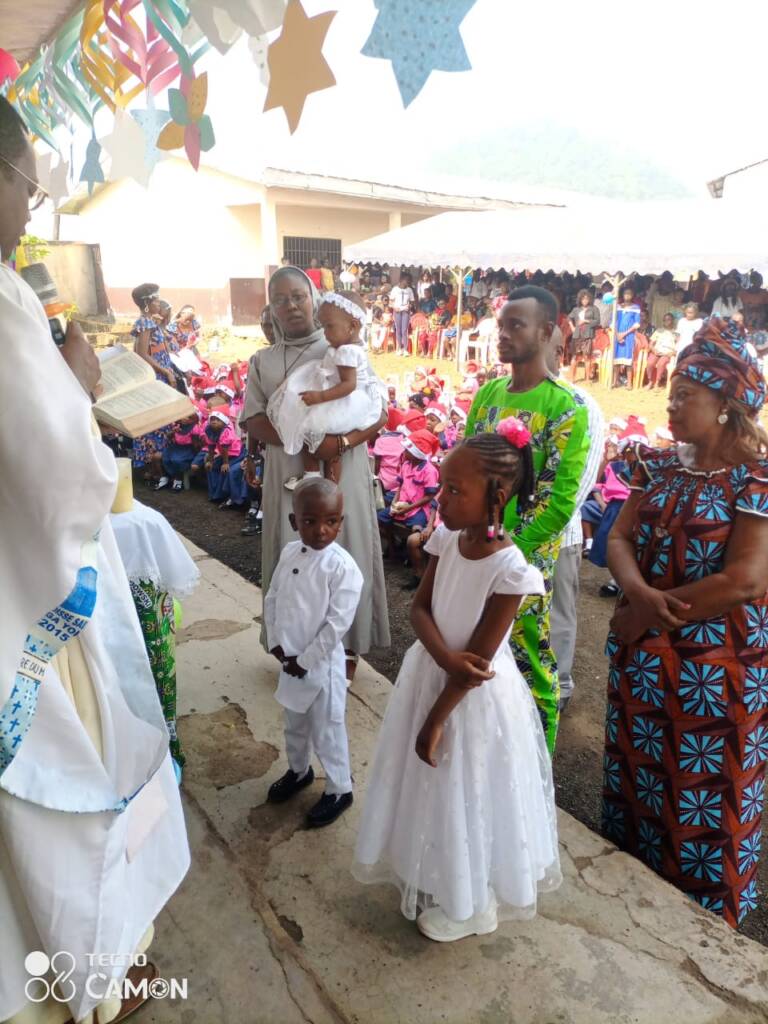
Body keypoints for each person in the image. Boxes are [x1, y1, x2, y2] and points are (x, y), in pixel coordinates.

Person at [0, 94, 188, 1024]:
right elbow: (59, 477)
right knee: (67, 784)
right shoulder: (2, 298)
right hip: (24, 606)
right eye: (29, 186)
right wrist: (78, 390)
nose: (31, 209)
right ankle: (89, 981)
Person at [353, 427, 561, 941]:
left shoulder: (510, 571)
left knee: (467, 793)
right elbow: (420, 609)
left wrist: (436, 719)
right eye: (441, 486)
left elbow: (478, 666)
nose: (440, 499)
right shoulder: (447, 538)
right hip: (433, 676)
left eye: (453, 490)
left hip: (470, 703)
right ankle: (442, 875)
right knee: (432, 789)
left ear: (497, 497)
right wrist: (446, 659)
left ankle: (473, 904)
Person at [602, 317, 768, 928]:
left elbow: (745, 580)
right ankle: (629, 895)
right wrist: (638, 591)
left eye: (684, 396)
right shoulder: (657, 465)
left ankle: (703, 924)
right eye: (671, 394)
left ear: (725, 405)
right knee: (641, 775)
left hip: (717, 676)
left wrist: (648, 609)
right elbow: (618, 537)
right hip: (644, 661)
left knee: (707, 794)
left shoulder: (758, 479)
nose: (670, 405)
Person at [242, 266, 390, 680]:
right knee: (293, 553)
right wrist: (302, 439)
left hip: (343, 462)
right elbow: (253, 419)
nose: (290, 306)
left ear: (313, 298)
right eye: (280, 299)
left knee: (346, 549)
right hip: (290, 467)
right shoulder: (263, 361)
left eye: (298, 296)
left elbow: (379, 410)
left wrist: (337, 444)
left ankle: (347, 646)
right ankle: (292, 644)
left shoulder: (343, 345)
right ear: (271, 308)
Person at [466, 286, 590, 753]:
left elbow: (557, 504)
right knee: (474, 657)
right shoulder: (488, 395)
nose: (502, 334)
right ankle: (482, 758)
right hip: (474, 552)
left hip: (523, 563)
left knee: (529, 665)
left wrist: (504, 551)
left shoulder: (566, 407)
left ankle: (535, 770)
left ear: (546, 332)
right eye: (501, 325)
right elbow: (465, 470)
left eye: (515, 325)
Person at [264, 479, 363, 828]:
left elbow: (337, 626)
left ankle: (339, 788)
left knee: (327, 730)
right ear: (295, 522)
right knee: (294, 723)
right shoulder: (290, 552)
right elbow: (273, 596)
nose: (321, 530)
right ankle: (298, 770)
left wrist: (304, 661)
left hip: (320, 668)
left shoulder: (343, 567)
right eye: (310, 521)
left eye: (331, 521)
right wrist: (275, 641)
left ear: (340, 522)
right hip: (289, 659)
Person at [266, 291, 383, 489]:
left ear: (352, 326)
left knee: (307, 429)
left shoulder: (346, 351)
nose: (325, 333)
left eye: (329, 326)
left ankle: (317, 479)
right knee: (327, 447)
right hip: (343, 397)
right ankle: (329, 486)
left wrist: (320, 396)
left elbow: (348, 385)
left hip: (345, 402)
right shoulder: (348, 347)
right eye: (323, 326)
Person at [547, 327, 605, 712]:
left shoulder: (581, 403)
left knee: (556, 614)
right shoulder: (500, 393)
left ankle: (558, 688)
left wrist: (536, 530)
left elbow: (580, 484)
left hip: (558, 534)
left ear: (557, 350)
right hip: (505, 534)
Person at [130, 282, 177, 473]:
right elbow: (142, 353)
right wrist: (165, 371)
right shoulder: (145, 323)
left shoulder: (150, 322)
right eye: (156, 300)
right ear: (147, 303)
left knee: (161, 417)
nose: (159, 303)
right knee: (156, 419)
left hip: (161, 372)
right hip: (156, 376)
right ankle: (152, 464)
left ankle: (158, 463)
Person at [377, 429, 440, 554]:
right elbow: (400, 486)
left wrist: (409, 508)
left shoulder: (429, 471)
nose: (404, 452)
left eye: (407, 450)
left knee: (416, 529)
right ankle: (392, 547)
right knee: (379, 518)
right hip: (402, 505)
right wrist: (395, 502)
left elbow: (429, 496)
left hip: (418, 509)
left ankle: (410, 555)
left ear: (416, 453)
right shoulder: (406, 465)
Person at [160, 410, 205, 490]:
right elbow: (168, 436)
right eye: (184, 415)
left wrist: (196, 456)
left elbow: (195, 444)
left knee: (177, 460)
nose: (185, 418)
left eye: (190, 418)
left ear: (195, 420)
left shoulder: (194, 428)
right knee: (165, 458)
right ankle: (169, 476)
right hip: (175, 447)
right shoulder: (177, 425)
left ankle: (178, 479)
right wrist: (173, 431)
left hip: (188, 449)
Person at [568, 288, 600, 382]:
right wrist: (572, 327)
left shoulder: (594, 309)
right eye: (583, 299)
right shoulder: (576, 309)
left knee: (587, 357)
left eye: (586, 298)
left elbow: (597, 321)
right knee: (575, 357)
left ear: (589, 299)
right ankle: (572, 378)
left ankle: (587, 379)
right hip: (577, 335)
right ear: (580, 299)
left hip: (588, 335)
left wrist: (586, 321)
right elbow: (569, 318)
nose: (585, 300)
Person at [613, 286, 641, 387]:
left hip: (629, 336)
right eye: (625, 293)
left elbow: (636, 324)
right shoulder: (618, 306)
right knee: (616, 359)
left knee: (628, 359)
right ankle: (615, 381)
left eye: (629, 293)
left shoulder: (636, 308)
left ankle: (629, 383)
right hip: (617, 335)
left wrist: (624, 334)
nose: (627, 295)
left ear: (632, 295)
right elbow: (614, 321)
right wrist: (617, 335)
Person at [645, 312, 678, 388]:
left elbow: (678, 346)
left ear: (672, 321)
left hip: (667, 354)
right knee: (650, 363)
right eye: (665, 320)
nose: (667, 321)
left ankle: (657, 382)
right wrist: (654, 350)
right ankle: (650, 381)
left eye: (669, 319)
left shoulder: (676, 333)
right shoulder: (658, 331)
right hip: (656, 352)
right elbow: (650, 344)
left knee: (661, 363)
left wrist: (673, 353)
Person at [390, 273, 415, 356]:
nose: (407, 281)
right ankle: (399, 348)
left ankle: (405, 349)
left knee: (404, 330)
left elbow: (412, 301)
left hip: (405, 311)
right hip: (397, 311)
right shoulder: (395, 289)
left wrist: (409, 306)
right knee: (398, 330)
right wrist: (394, 307)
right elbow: (391, 301)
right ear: (401, 280)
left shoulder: (409, 290)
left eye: (408, 280)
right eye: (406, 280)